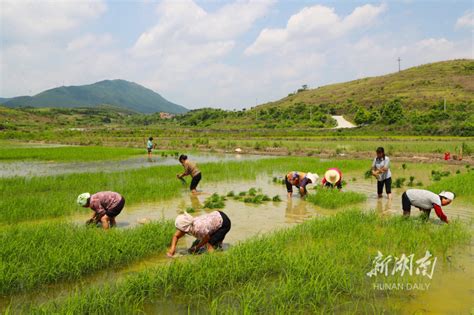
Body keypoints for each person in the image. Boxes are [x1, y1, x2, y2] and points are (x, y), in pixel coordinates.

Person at [167, 210, 231, 257]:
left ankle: (215, 261)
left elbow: (206, 239)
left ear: (185, 228)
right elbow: (176, 236)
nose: (178, 230)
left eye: (179, 229)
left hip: (224, 223)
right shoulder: (188, 223)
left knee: (209, 245)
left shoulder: (198, 229)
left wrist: (196, 247)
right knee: (213, 244)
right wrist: (172, 249)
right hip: (216, 216)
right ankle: (218, 246)